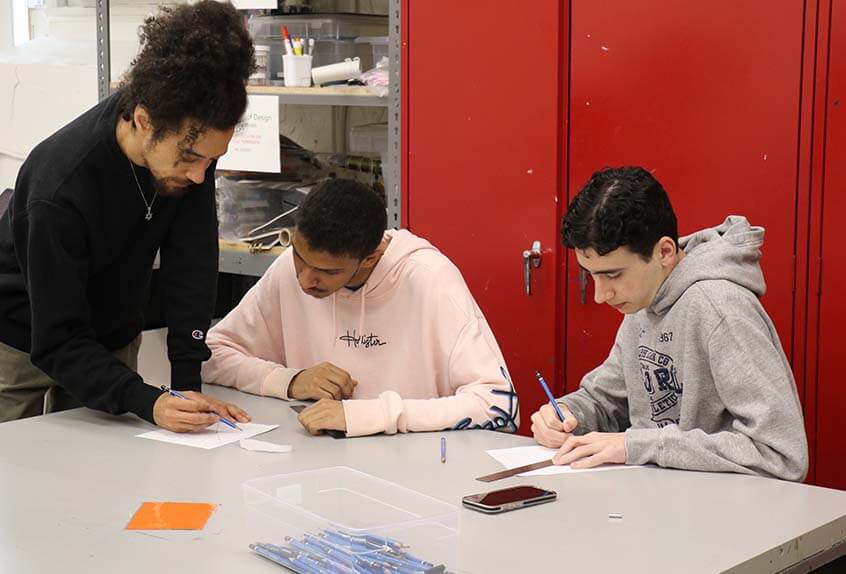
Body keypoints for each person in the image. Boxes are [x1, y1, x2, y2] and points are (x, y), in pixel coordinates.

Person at [0, 1, 254, 432]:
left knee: (99, 474)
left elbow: (191, 266)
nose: (198, 174)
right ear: (142, 121)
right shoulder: (59, 188)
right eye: (191, 158)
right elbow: (58, 340)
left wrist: (184, 384)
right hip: (24, 333)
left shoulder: (189, 147)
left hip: (111, 332)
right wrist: (148, 401)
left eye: (211, 161)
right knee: (15, 472)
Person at [530, 166, 808, 481]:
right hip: (659, 502)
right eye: (590, 275)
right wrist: (568, 415)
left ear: (664, 251)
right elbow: (605, 399)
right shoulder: (643, 300)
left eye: (613, 275)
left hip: (724, 514)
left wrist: (639, 445)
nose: (600, 295)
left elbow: (781, 453)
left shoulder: (720, 308)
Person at [202, 178, 519, 437]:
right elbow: (211, 354)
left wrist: (376, 414)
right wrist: (290, 380)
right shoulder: (291, 268)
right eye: (300, 257)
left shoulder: (430, 280)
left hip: (415, 472)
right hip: (318, 463)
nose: (305, 280)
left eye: (328, 272)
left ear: (371, 257)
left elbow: (500, 406)